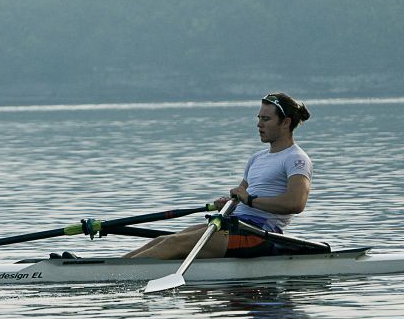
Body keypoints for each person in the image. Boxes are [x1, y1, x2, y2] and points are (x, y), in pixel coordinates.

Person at [124, 92, 312, 259]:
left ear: (286, 122)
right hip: (232, 223)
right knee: (164, 239)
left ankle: (119, 277)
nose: (259, 124)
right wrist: (230, 203)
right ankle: (113, 271)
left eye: (266, 119)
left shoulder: (296, 158)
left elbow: (296, 203)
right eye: (259, 118)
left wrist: (250, 200)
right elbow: (240, 196)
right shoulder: (257, 158)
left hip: (258, 233)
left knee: (174, 244)